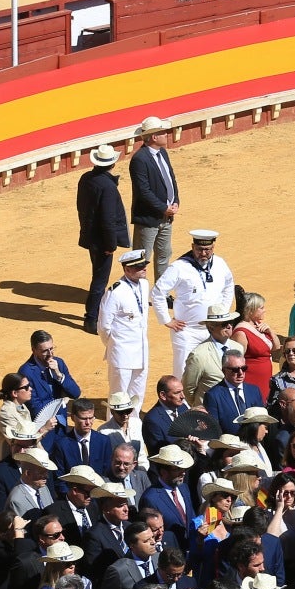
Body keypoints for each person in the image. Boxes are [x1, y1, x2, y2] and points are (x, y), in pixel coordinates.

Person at [153, 230, 235, 381]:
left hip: (213, 330)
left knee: (215, 370)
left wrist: (223, 310)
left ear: (213, 248)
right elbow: (158, 291)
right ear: (192, 247)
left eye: (207, 249)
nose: (203, 253)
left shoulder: (220, 264)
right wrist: (166, 320)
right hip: (187, 331)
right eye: (199, 249)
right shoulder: (179, 267)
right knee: (184, 372)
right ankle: (182, 404)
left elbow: (229, 285)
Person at [76, 143, 130, 331]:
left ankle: (93, 315)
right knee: (100, 279)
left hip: (91, 236)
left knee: (97, 276)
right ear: (112, 164)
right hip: (101, 240)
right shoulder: (107, 186)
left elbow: (82, 208)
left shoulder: (85, 179)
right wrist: (111, 244)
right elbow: (108, 218)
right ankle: (91, 318)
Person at [98, 248, 153, 404]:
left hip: (141, 352)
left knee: (137, 394)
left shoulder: (144, 284)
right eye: (138, 267)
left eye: (144, 265)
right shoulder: (115, 292)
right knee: (118, 396)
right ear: (127, 269)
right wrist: (115, 346)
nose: (144, 269)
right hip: (122, 353)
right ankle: (115, 426)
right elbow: (103, 326)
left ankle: (134, 426)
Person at [128, 115, 180, 278]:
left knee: (164, 255)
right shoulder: (139, 160)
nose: (166, 134)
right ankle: (138, 294)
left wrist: (175, 201)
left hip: (166, 217)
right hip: (149, 219)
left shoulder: (163, 153)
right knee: (141, 259)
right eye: (163, 132)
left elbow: (171, 178)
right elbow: (143, 192)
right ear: (154, 137)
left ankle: (161, 293)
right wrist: (164, 207)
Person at [234, 294, 279, 399]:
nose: (265, 310)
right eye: (261, 308)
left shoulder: (259, 325)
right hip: (251, 381)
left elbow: (276, 347)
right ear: (251, 310)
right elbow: (236, 361)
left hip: (264, 380)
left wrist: (270, 332)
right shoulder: (241, 332)